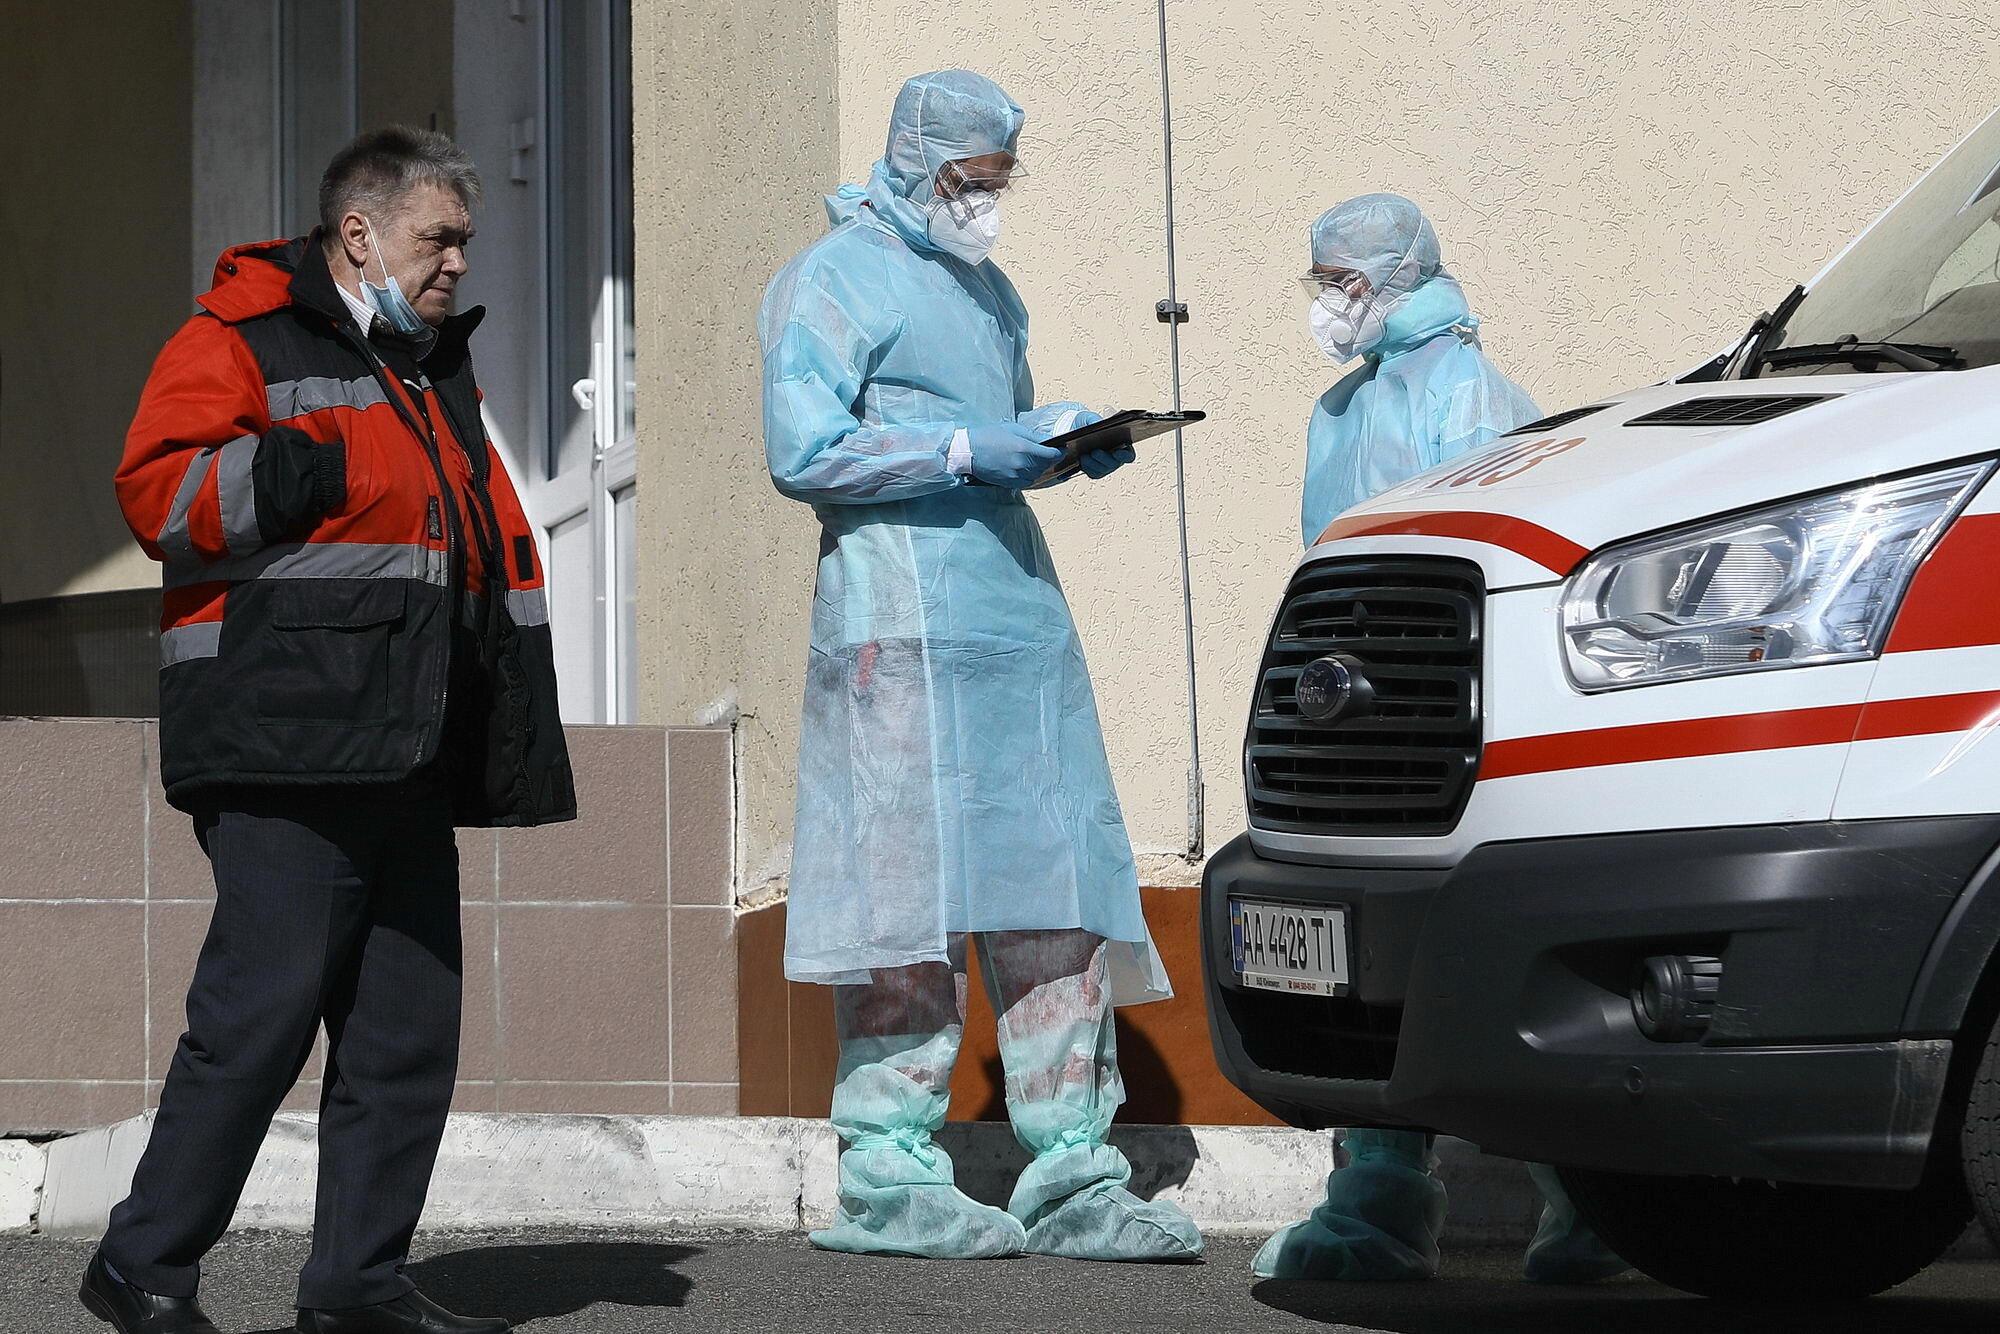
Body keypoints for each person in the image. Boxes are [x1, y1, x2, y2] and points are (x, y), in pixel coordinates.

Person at [85, 127, 573, 1334]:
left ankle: (355, 1286)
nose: (458, 262)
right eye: (437, 238)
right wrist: (317, 456)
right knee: (258, 1018)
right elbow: (163, 495)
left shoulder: (429, 369)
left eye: (465, 240)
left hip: (409, 747)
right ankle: (141, 1263)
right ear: (358, 233)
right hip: (283, 743)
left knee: (406, 1032)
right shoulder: (239, 338)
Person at [759, 69, 1200, 1264]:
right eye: (973, 177)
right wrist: (958, 445)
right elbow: (802, 448)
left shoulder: (989, 293)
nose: (989, 198)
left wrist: (1052, 437)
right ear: (918, 161)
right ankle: (888, 1168)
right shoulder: (833, 275)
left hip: (1010, 615)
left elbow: (993, 424)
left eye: (1001, 177)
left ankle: (1073, 1170)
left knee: (1051, 889)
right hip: (897, 618)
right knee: (905, 896)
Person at [1258, 193, 1627, 1286]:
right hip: (1350, 715)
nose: (1326, 300)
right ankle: (1373, 1200)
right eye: (1319, 280)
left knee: (1466, 955)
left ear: (1395, 276)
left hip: (1437, 718)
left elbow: (1465, 577)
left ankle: (1588, 1209)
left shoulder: (1467, 395)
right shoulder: (1343, 407)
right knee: (1360, 965)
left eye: (1340, 280)